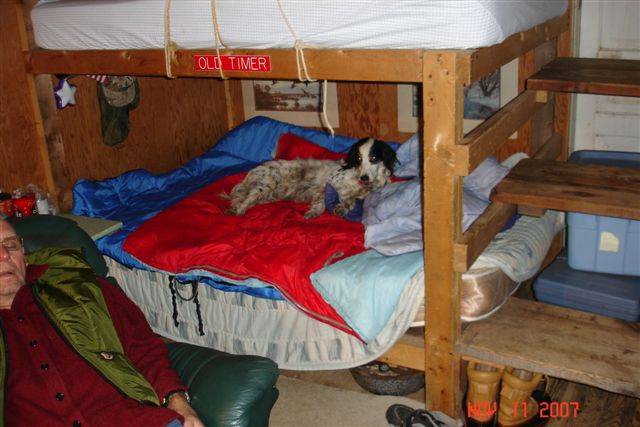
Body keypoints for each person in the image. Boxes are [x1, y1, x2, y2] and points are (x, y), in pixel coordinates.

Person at [0, 218, 204, 427]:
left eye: (11, 244)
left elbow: (143, 347)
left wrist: (178, 402)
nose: (4, 255)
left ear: (24, 256)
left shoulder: (80, 288)